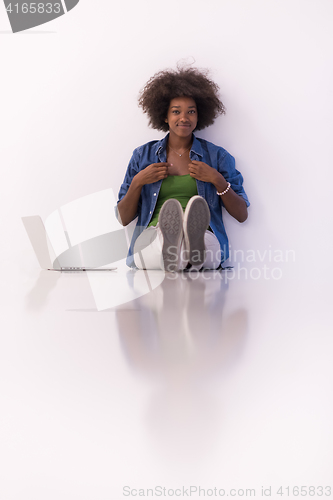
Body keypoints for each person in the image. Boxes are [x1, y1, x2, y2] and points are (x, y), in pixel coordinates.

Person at [116, 66, 250, 272]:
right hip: (154, 233)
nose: (184, 118)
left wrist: (217, 180)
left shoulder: (217, 157)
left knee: (206, 246)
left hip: (205, 234)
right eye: (176, 111)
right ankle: (181, 249)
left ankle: (189, 244)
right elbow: (124, 218)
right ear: (164, 116)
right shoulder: (142, 156)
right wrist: (138, 182)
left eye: (191, 112)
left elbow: (242, 214)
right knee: (164, 246)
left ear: (199, 116)